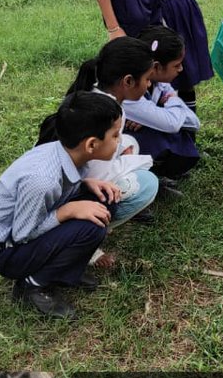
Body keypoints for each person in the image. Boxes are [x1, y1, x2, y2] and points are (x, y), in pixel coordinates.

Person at [0, 92, 126, 319]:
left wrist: (87, 184)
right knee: (90, 226)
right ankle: (32, 285)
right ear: (92, 144)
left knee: (105, 202)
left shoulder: (66, 151)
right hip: (7, 252)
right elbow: (22, 234)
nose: (120, 141)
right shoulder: (42, 180)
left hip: (26, 232)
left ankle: (65, 271)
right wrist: (68, 211)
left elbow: (64, 189)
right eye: (115, 135)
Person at [38, 37, 161, 261]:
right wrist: (136, 162)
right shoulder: (110, 112)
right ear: (128, 81)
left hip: (60, 179)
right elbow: (95, 173)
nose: (149, 85)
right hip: (68, 193)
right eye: (147, 79)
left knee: (130, 144)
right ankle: (85, 237)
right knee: (147, 183)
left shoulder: (91, 96)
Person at [125, 26, 201, 191]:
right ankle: (133, 187)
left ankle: (152, 175)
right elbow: (172, 124)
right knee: (155, 131)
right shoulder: (129, 90)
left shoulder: (159, 83)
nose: (181, 69)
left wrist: (170, 103)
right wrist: (170, 105)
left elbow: (194, 123)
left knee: (165, 126)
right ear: (156, 67)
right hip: (100, 160)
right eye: (177, 65)